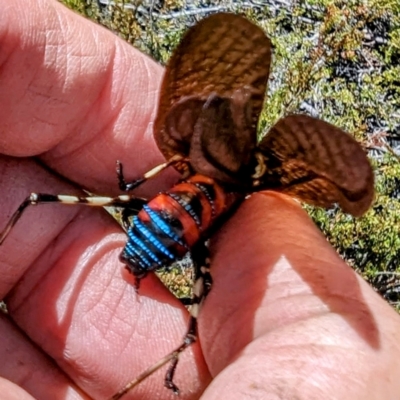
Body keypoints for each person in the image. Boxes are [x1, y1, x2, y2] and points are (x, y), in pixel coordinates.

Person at [1, 1, 400, 399]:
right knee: (192, 316)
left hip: (157, 218)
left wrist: (136, 183)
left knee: (41, 199)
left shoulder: (202, 158)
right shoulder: (255, 186)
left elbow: (168, 167)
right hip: (170, 230)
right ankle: (159, 374)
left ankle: (157, 373)